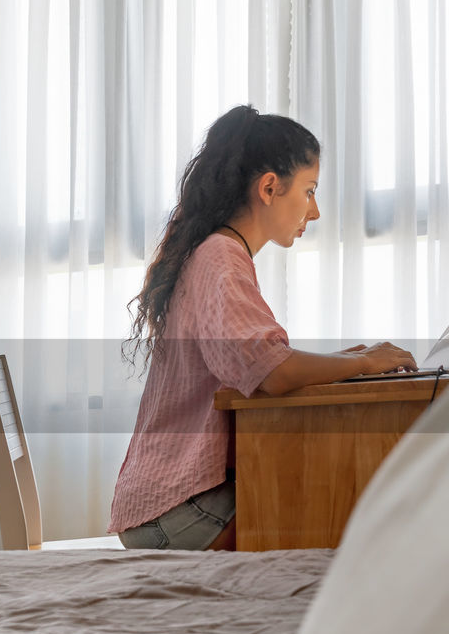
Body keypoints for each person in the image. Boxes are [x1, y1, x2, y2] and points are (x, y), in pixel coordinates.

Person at [110, 105, 416, 551]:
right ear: (270, 187)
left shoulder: (214, 251)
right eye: (309, 191)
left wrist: (352, 361)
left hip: (168, 507)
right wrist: (366, 362)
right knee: (333, 493)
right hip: (179, 513)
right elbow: (271, 371)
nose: (313, 212)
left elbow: (257, 361)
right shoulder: (220, 257)